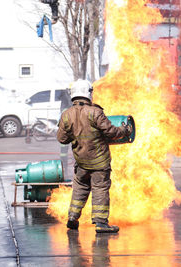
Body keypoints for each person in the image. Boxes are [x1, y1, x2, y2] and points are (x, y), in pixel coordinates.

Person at [57, 79, 131, 233]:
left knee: (80, 189)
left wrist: (75, 134)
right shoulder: (95, 112)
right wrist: (125, 130)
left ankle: (72, 218)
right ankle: (101, 223)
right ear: (88, 93)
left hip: (81, 163)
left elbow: (62, 139)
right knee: (100, 189)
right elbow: (112, 132)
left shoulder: (66, 115)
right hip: (99, 163)